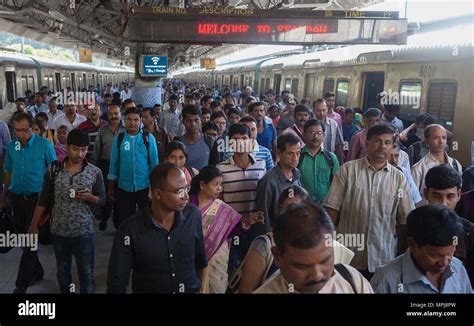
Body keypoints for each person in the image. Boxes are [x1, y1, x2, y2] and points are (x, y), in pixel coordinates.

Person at [324, 124, 415, 279]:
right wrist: (328, 248)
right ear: (367, 143)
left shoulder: (399, 179)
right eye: (377, 141)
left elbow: (404, 223)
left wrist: (401, 257)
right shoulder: (347, 171)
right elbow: (331, 212)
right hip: (348, 258)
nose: (382, 147)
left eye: (387, 143)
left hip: (383, 260)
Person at [107, 163, 208, 293]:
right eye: (179, 191)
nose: (186, 196)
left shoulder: (193, 216)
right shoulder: (130, 229)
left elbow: (200, 261)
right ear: (157, 193)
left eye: (187, 189)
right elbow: (117, 282)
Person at [29, 129, 105, 293]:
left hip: (84, 232)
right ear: (67, 146)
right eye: (75, 149)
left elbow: (103, 199)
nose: (80, 154)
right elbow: (43, 199)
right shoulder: (54, 170)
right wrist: (34, 225)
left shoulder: (94, 172)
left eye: (84, 149)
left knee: (86, 273)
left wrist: (91, 198)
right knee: (63, 271)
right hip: (59, 232)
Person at [254, 202, 374, 293]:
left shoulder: (353, 281)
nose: (317, 275)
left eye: (325, 261)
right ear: (277, 256)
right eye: (302, 266)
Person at [1, 113, 56, 293]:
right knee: (26, 241)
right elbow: (8, 172)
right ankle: (37, 271)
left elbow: (53, 174)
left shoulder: (44, 145)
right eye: (17, 131)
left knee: (30, 238)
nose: (21, 134)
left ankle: (21, 284)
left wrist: (52, 202)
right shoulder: (12, 146)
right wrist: (3, 197)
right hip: (16, 200)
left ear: (32, 128)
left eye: (25, 130)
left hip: (37, 201)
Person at [189, 166, 263, 293]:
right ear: (202, 185)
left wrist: (249, 221)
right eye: (215, 184)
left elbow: (236, 228)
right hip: (191, 258)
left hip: (217, 259)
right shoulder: (188, 205)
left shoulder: (221, 208)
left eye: (221, 185)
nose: (219, 188)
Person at [370, 205, 472, 293]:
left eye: (450, 254)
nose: (444, 262)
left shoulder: (457, 268)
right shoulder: (386, 279)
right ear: (412, 245)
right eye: (435, 255)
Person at [108, 107, 159, 228]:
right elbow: (114, 164)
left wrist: (154, 188)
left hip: (144, 187)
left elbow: (154, 164)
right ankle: (127, 241)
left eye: (136, 120)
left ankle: (144, 242)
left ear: (141, 120)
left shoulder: (148, 138)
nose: (132, 123)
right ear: (124, 120)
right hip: (124, 187)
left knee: (146, 217)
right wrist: (110, 188)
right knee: (125, 219)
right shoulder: (119, 138)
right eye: (129, 119)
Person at [423, 165, 474, 284]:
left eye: (450, 196)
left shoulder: (469, 231)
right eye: (436, 196)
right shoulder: (415, 228)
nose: (443, 204)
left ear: (459, 195)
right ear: (426, 194)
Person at [256, 134, 302, 234]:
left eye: (298, 153)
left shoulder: (297, 173)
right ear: (279, 153)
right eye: (290, 153)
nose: (295, 158)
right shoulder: (268, 181)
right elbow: (262, 218)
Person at [412, 124, 462, 203]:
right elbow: (413, 199)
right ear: (427, 142)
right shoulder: (419, 168)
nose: (441, 142)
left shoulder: (455, 164)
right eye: (436, 138)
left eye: (444, 137)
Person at [299, 119, 340, 204]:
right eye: (311, 133)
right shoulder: (298, 156)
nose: (315, 136)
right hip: (302, 207)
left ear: (324, 135)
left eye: (319, 133)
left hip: (325, 207)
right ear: (304, 135)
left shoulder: (331, 158)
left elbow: (337, 186)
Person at [175, 105, 214, 170]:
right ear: (183, 122)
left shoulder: (210, 142)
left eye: (196, 120)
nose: (193, 124)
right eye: (189, 121)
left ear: (200, 121)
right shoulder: (178, 143)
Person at [389, 143, 422, 207]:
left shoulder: (404, 172)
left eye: (396, 156)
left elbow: (416, 201)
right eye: (389, 156)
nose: (394, 160)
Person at [312, 98, 344, 164]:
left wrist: (340, 162)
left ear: (327, 109)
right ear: (314, 110)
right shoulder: (309, 124)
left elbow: (338, 144)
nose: (321, 113)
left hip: (329, 161)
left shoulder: (333, 124)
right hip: (312, 160)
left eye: (324, 110)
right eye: (318, 110)